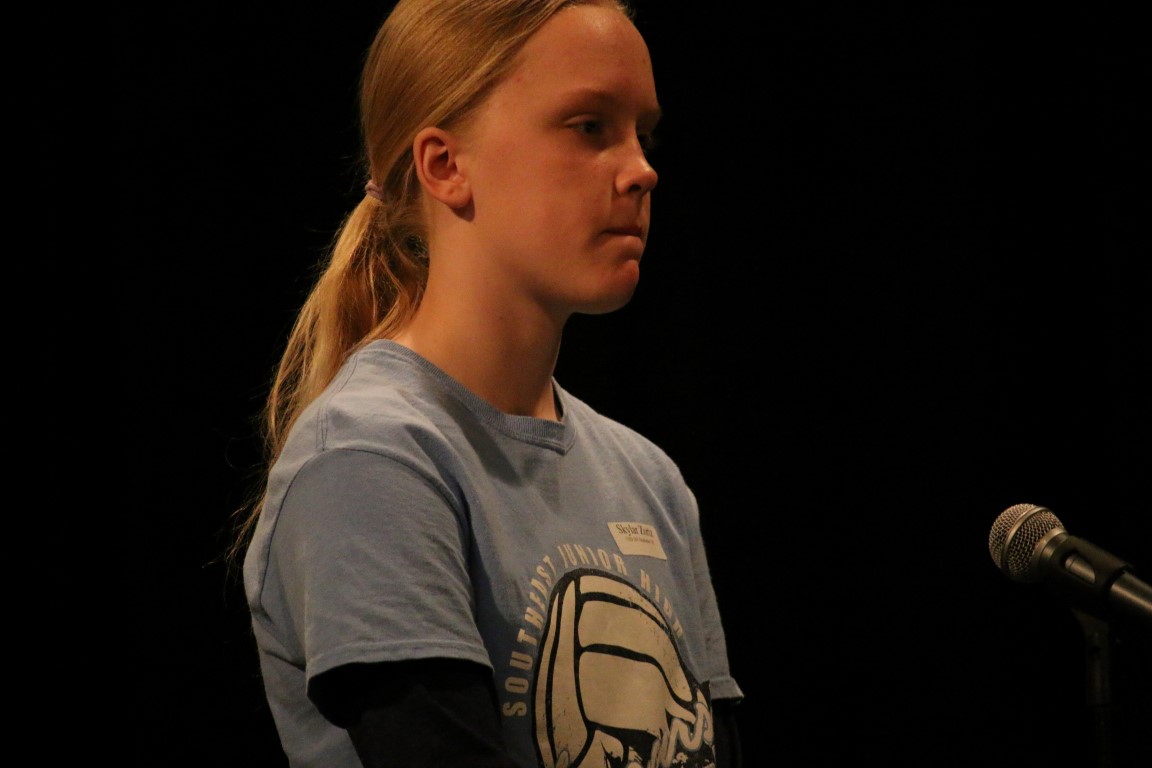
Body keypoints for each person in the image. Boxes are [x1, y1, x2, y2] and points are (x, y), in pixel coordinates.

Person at [231, 0, 745, 765]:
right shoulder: (372, 456)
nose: (642, 169)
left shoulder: (651, 481)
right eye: (590, 127)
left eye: (644, 132)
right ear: (446, 165)